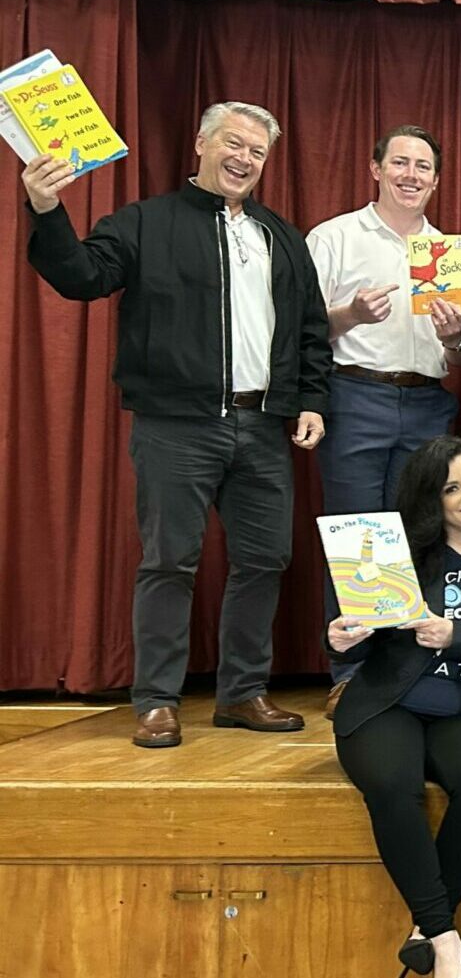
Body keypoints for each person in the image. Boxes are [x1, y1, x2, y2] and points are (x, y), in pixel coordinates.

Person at [23, 101, 328, 748]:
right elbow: (80, 275)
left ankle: (243, 692)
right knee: (168, 562)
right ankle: (157, 700)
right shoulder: (146, 222)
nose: (243, 159)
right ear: (200, 143)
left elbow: (310, 331)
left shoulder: (283, 237)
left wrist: (311, 400)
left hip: (262, 426)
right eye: (233, 143)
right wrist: (47, 209)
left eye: (256, 152)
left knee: (264, 559)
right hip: (175, 427)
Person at [325, 436, 461, 978]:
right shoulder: (390, 552)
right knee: (392, 784)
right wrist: (339, 638)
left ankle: (425, 930)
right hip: (389, 702)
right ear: (432, 499)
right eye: (453, 488)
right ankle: (443, 939)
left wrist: (457, 635)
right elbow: (364, 632)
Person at [307, 125, 461, 718]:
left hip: (429, 400)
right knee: (354, 535)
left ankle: (410, 665)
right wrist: (347, 314)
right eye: (399, 162)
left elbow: (455, 357)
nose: (411, 174)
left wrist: (456, 340)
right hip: (356, 396)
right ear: (375, 168)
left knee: (424, 535)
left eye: (423, 166)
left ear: (435, 178)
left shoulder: (445, 253)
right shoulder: (335, 238)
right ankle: (350, 671)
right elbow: (301, 333)